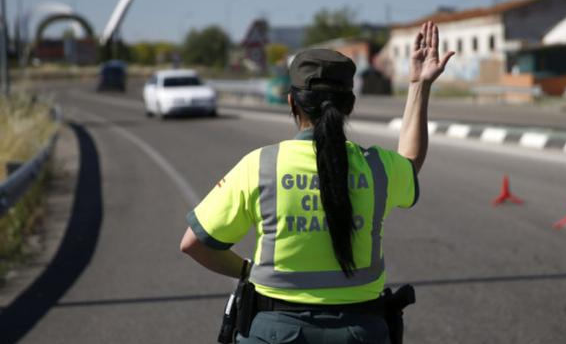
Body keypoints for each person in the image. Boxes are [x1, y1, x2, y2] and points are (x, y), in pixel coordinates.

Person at [180, 21, 453, 343]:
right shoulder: (378, 167)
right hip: (362, 332)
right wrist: (419, 85)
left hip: (275, 331)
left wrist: (245, 271)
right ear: (349, 105)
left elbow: (194, 244)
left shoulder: (260, 165)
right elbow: (411, 162)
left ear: (292, 102)